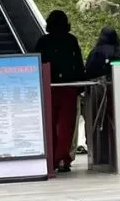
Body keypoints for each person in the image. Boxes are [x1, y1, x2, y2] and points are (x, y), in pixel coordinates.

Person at [34, 10, 84, 172]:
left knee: (49, 123)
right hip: (68, 87)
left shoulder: (43, 41)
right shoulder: (71, 40)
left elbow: (36, 62)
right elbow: (78, 63)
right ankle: (62, 158)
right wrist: (81, 85)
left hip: (48, 87)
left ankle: (50, 158)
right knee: (66, 125)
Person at [74, 26, 120, 163]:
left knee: (95, 119)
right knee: (113, 118)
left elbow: (88, 70)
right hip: (114, 88)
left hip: (95, 88)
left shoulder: (95, 52)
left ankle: (95, 151)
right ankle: (115, 151)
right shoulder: (118, 52)